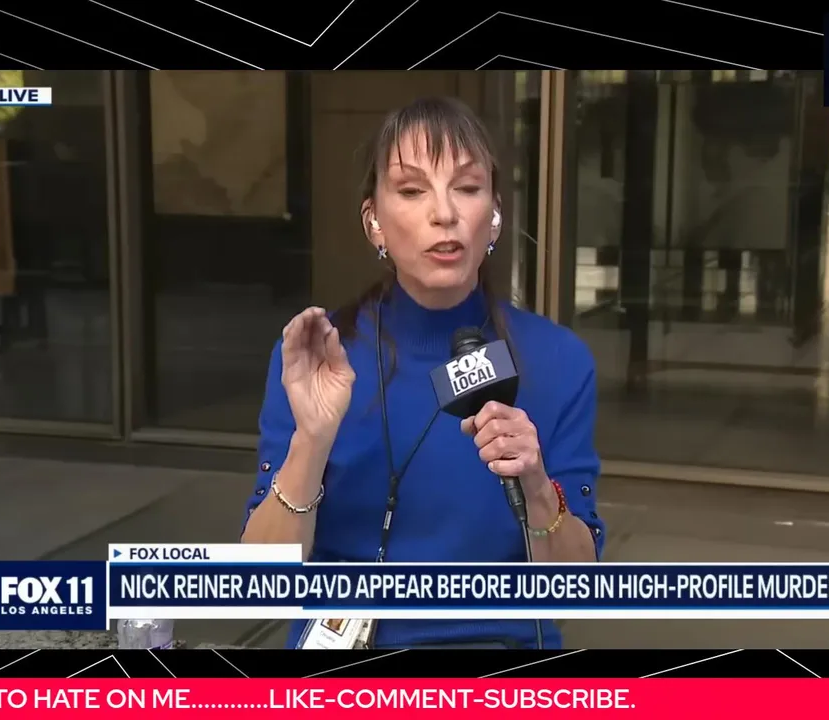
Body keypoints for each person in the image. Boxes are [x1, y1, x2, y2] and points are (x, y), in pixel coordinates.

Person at [240, 97, 605, 650]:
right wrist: (311, 441)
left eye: (467, 187)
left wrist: (534, 483)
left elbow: (579, 589)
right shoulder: (317, 359)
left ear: (494, 214)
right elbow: (257, 587)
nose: (444, 213)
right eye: (412, 190)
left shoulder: (559, 360)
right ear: (374, 222)